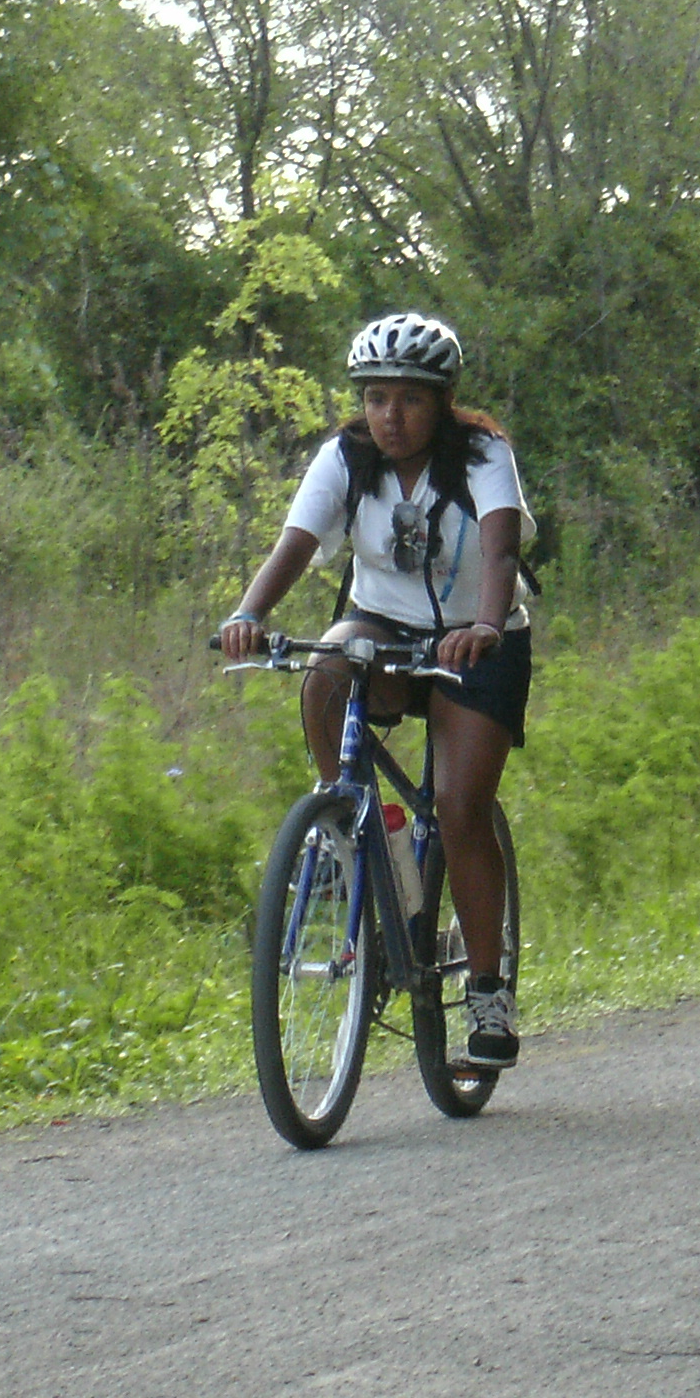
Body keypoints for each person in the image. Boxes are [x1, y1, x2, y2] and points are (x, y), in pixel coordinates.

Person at [217, 310, 533, 1066]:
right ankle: (353, 837)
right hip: (383, 626)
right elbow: (295, 543)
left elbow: (498, 550)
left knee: (460, 810)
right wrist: (248, 613)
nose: (390, 416)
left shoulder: (483, 454)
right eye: (375, 397)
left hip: (477, 639)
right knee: (326, 672)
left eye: (411, 400)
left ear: (443, 400)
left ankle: (488, 993)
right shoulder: (346, 458)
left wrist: (485, 627)